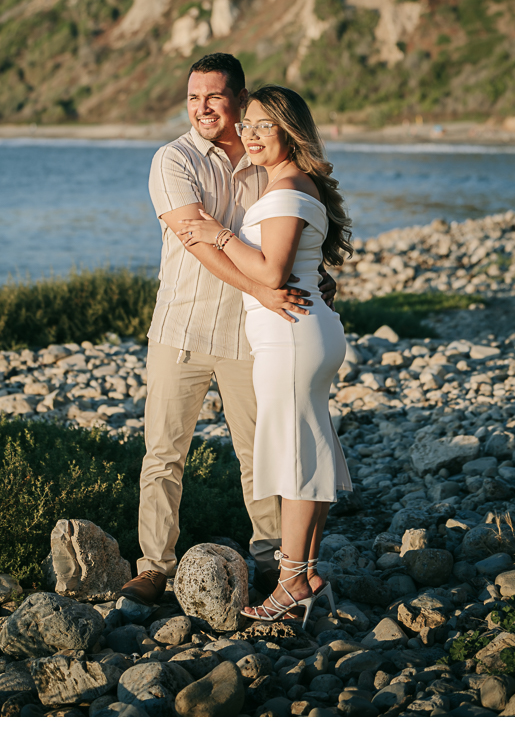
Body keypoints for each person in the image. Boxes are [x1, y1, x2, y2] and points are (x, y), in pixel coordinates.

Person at [119, 53, 337, 607]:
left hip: (250, 335)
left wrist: (313, 277)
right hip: (182, 328)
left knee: (256, 450)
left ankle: (270, 558)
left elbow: (292, 229)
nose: (202, 108)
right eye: (193, 98)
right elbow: (195, 237)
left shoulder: (265, 160)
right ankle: (154, 565)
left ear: (239, 101)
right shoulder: (173, 160)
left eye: (214, 97)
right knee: (164, 453)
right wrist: (264, 287)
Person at [177, 84, 353, 625]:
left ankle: (290, 582)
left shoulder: (284, 192)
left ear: (289, 131)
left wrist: (217, 233)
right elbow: (299, 265)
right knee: (310, 449)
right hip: (302, 332)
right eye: (246, 124)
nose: (250, 135)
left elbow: (273, 272)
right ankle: (305, 573)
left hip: (291, 336)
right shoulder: (293, 186)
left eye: (263, 126)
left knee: (296, 458)